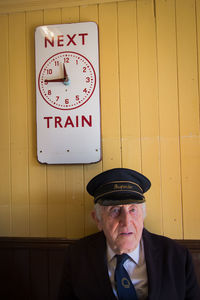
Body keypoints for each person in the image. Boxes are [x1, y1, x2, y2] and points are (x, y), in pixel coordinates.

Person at [58, 168, 200, 300]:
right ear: (98, 219)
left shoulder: (177, 256)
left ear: (143, 215)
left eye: (133, 210)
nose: (126, 222)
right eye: (115, 210)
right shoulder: (77, 257)